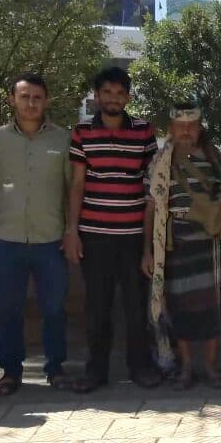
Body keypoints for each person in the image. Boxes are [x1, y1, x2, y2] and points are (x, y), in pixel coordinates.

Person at [0, 73, 72, 395]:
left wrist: (72, 232)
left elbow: (72, 191)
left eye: (37, 97)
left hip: (51, 240)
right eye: (24, 97)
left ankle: (56, 368)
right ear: (12, 99)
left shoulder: (63, 140)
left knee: (54, 309)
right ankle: (10, 372)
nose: (31, 103)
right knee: (8, 310)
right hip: (6, 240)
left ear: (47, 101)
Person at [65, 67, 162, 393]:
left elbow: (152, 188)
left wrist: (149, 244)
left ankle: (141, 367)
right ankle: (96, 371)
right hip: (94, 235)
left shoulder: (144, 132)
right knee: (97, 306)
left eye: (120, 93)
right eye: (107, 92)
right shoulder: (82, 132)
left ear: (128, 97)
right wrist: (71, 231)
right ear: (97, 95)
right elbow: (77, 184)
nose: (113, 98)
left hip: (133, 236)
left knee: (136, 306)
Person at [143, 101, 221, 390]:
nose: (186, 131)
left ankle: (211, 366)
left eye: (191, 126)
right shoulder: (160, 162)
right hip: (177, 244)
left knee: (214, 309)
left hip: (212, 244)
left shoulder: (213, 157)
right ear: (171, 128)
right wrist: (147, 250)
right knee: (179, 308)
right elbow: (150, 207)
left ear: (199, 128)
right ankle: (185, 367)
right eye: (180, 126)